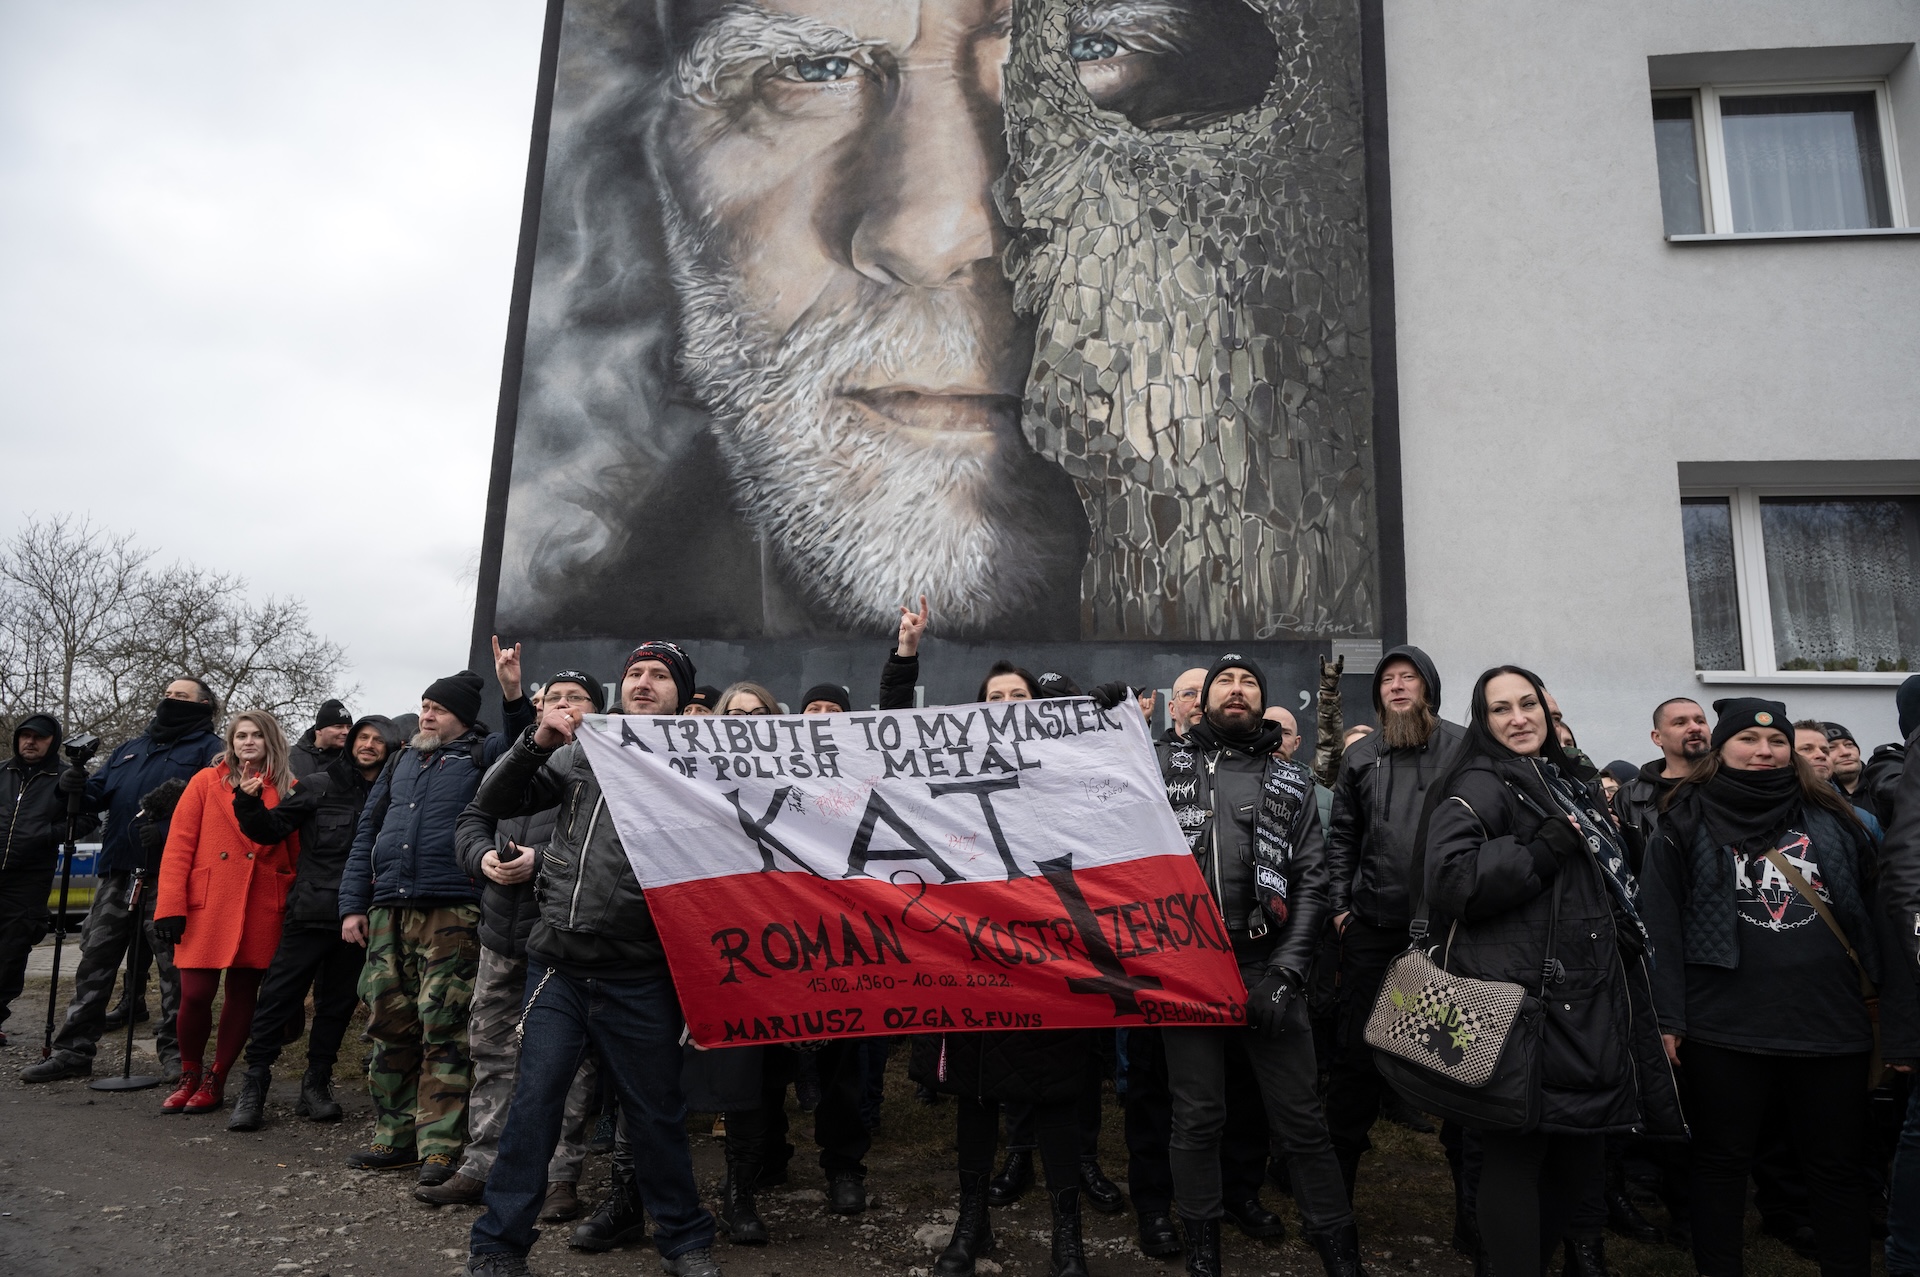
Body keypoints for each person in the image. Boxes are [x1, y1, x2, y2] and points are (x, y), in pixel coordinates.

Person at [460, 640, 719, 1277]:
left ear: (682, 695)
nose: (644, 682)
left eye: (661, 676)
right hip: (559, 966)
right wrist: (536, 741)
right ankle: (497, 1247)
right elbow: (493, 803)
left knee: (655, 1115)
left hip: (643, 970)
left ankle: (685, 1245)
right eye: (635, 672)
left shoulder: (705, 761)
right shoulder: (582, 751)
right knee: (535, 1103)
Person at [1421, 666, 1682, 1277]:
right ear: (1482, 723)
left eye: (1528, 704)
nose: (1519, 718)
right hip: (1522, 1005)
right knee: (1517, 1158)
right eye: (1500, 709)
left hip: (1581, 995)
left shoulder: (1562, 782)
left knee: (1575, 1160)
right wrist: (1539, 850)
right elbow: (1452, 879)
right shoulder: (1482, 782)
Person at [1640, 697, 1913, 1277]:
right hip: (1722, 1028)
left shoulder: (1836, 819)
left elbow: (1879, 918)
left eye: (1777, 742)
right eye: (1748, 741)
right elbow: (1658, 923)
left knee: (1836, 1169)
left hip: (1830, 1025)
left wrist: (1898, 1015)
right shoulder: (1684, 818)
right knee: (1720, 1164)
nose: (1763, 752)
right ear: (1721, 747)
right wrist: (1667, 1019)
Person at [1153, 654, 1360, 1277]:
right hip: (1187, 973)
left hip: (1268, 966)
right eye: (1226, 681)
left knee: (1301, 1120)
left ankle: (1338, 1249)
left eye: (1250, 683)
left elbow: (1312, 884)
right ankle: (1201, 1249)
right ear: (1202, 699)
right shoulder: (1161, 768)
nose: (1237, 690)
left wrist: (1287, 973)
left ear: (1262, 700)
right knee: (1197, 1117)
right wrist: (1098, 711)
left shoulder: (1290, 780)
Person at [338, 641, 532, 1183]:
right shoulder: (401, 759)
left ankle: (440, 1144)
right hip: (386, 913)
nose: (426, 714)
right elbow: (366, 834)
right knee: (386, 1024)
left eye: (438, 708)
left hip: (452, 912)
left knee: (443, 1027)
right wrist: (353, 905)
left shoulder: (482, 752)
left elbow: (525, 747)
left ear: (462, 719)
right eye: (424, 705)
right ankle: (392, 1136)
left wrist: (512, 691)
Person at [427, 673, 605, 1219]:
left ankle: (559, 1178)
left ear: (598, 712)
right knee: (492, 1048)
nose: (563, 707)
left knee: (569, 1065)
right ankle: (481, 1165)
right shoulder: (512, 763)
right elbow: (470, 819)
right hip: (499, 935)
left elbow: (608, 842)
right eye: (553, 699)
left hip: (562, 944)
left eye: (576, 699)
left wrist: (540, 857)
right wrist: (480, 857)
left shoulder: (602, 768)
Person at [25, 677, 222, 1084]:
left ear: (204, 705)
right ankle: (73, 1052)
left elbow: (219, 811)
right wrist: (73, 787)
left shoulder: (212, 751)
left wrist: (168, 831)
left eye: (180, 697)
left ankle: (178, 1056)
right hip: (117, 874)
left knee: (176, 974)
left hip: (173, 879)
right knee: (94, 963)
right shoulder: (132, 747)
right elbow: (97, 793)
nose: (170, 701)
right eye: (166, 695)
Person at [1322, 647, 1465, 1206]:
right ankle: (1337, 1200)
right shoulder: (1362, 757)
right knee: (1354, 1061)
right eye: (1387, 681)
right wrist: (1341, 908)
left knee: (1449, 1061)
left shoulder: (1463, 749)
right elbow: (1342, 839)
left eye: (1409, 679)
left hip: (1447, 936)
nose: (1397, 687)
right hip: (1372, 929)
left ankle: (1469, 1208)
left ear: (1428, 688)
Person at [224, 714, 399, 1131]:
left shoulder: (394, 795)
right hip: (309, 913)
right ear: (351, 742)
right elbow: (271, 831)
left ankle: (316, 1085)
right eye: (362, 737)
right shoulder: (318, 785)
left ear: (390, 748)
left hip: (359, 919)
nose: (368, 745)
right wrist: (247, 802)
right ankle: (255, 1085)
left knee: (336, 1006)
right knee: (278, 998)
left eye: (378, 740)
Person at [150, 710, 301, 1115]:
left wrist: (285, 889)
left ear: (270, 741)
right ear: (230, 743)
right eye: (240, 736)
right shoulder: (205, 782)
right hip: (208, 904)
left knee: (242, 995)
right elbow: (179, 846)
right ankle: (188, 1073)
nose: (247, 742)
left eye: (256, 736)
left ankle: (216, 1077)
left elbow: (296, 854)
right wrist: (170, 906)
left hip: (260, 904)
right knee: (195, 994)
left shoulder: (288, 788)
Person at [1, 714, 98, 1049]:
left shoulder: (64, 778)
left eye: (38, 737)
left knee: (12, 950)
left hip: (29, 877)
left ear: (52, 741)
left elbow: (87, 819)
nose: (30, 742)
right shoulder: (3, 772)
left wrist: (47, 835)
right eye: (24, 736)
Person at [1613, 698, 1712, 871]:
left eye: (1700, 721)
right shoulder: (1629, 796)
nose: (1695, 727)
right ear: (1657, 737)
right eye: (1680, 723)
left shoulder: (1728, 786)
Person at [291, 700, 353, 780]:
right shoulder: (288, 756)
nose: (346, 732)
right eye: (338, 727)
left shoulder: (352, 760)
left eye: (349, 727)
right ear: (319, 730)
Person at [1165, 668, 1207, 742]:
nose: (1199, 702)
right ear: (1172, 709)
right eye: (1189, 694)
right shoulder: (1153, 753)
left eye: (1207, 694)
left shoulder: (1233, 751)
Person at [1824, 724, 1865, 796]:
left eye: (1849, 744)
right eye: (1831, 747)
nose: (1845, 752)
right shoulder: (1810, 799)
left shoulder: (1883, 786)